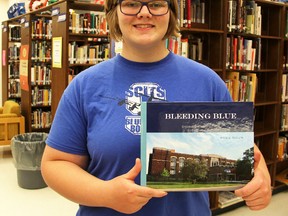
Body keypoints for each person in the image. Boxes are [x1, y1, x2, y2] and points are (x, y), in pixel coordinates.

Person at [41, 0, 272, 215]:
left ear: (171, 13)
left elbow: (239, 145)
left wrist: (260, 177)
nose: (144, 12)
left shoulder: (207, 81)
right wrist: (106, 194)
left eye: (155, 4)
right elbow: (55, 164)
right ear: (113, 14)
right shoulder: (84, 86)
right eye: (131, 3)